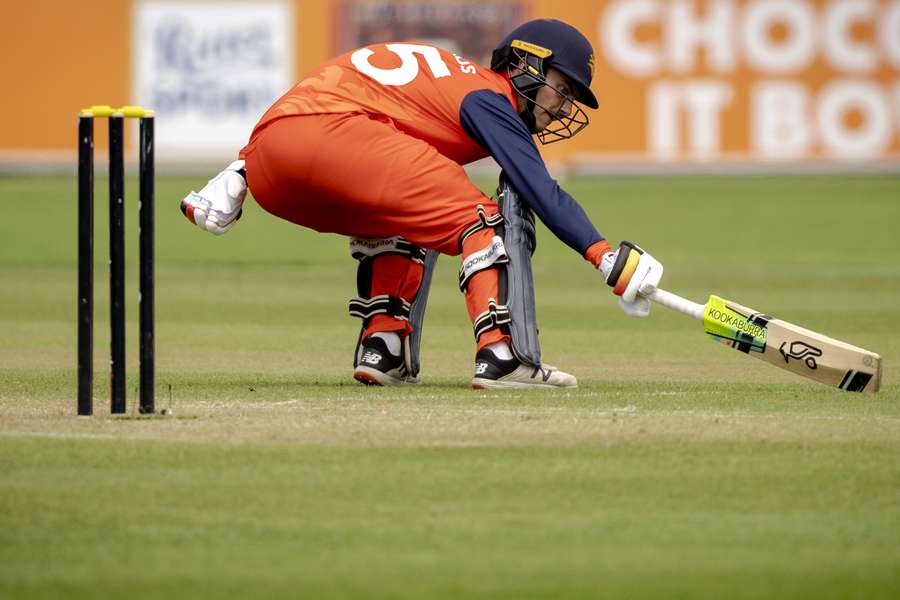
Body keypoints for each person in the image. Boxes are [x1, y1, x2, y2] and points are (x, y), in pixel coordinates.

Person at [180, 18, 663, 389]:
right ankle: (499, 356)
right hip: (335, 134)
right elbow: (540, 189)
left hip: (269, 160)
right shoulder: (487, 93)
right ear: (524, 66)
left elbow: (324, 92)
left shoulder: (447, 80)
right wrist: (604, 256)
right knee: (479, 222)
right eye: (562, 88)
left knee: (409, 218)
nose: (562, 106)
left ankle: (383, 347)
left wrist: (245, 165)